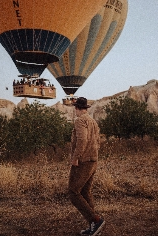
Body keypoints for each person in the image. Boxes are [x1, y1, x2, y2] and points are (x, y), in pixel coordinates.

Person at [68, 97, 105, 236]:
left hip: (83, 162)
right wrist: (93, 154)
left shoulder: (80, 120)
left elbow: (82, 140)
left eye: (75, 109)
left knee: (73, 192)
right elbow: (98, 141)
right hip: (93, 160)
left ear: (77, 108)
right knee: (85, 192)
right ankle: (94, 226)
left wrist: (76, 157)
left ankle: (95, 220)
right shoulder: (93, 121)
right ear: (86, 108)